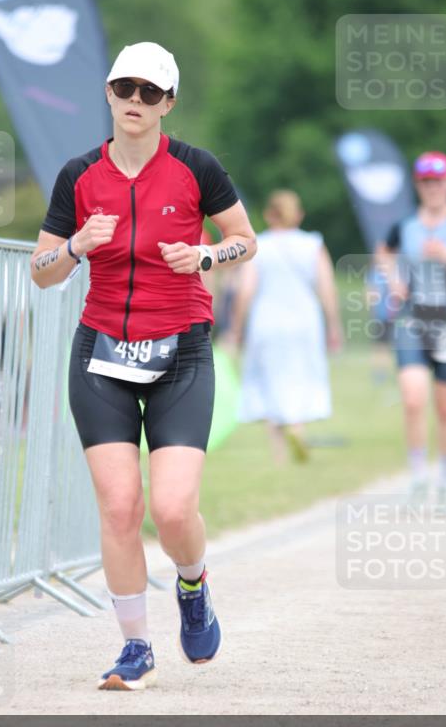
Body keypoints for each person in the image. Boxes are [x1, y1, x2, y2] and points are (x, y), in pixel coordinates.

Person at [30, 42, 256, 690]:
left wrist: (208, 257)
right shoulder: (79, 175)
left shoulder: (195, 168)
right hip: (100, 353)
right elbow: (41, 273)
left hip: (180, 350)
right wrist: (75, 246)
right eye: (125, 88)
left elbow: (246, 238)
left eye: (149, 93)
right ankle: (135, 648)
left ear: (169, 104)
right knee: (122, 506)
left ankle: (192, 585)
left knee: (176, 509)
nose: (135, 102)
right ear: (107, 92)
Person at [378, 151, 446, 513]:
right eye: (426, 181)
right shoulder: (405, 223)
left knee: (445, 409)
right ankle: (416, 479)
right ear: (418, 185)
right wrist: (393, 280)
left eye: (438, 180)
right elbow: (384, 250)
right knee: (413, 400)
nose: (433, 187)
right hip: (412, 323)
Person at [230, 190, 342, 463]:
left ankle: (279, 453)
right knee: (299, 378)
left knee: (272, 382)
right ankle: (297, 430)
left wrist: (235, 328)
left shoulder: (259, 245)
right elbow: (326, 288)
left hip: (267, 321)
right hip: (305, 321)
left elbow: (245, 290)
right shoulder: (313, 244)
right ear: (298, 215)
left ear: (269, 214)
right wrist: (334, 325)